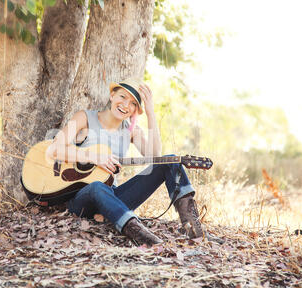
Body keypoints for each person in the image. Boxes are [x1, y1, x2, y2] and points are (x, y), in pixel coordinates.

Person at [47, 78, 204, 246]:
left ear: (135, 110)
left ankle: (193, 230)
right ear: (112, 96)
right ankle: (140, 235)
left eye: (133, 103)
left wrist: (150, 112)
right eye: (122, 97)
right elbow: (53, 149)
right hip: (81, 199)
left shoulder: (130, 131)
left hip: (114, 199)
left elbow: (155, 156)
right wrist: (92, 157)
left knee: (170, 160)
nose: (125, 105)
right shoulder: (84, 118)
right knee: (97, 187)